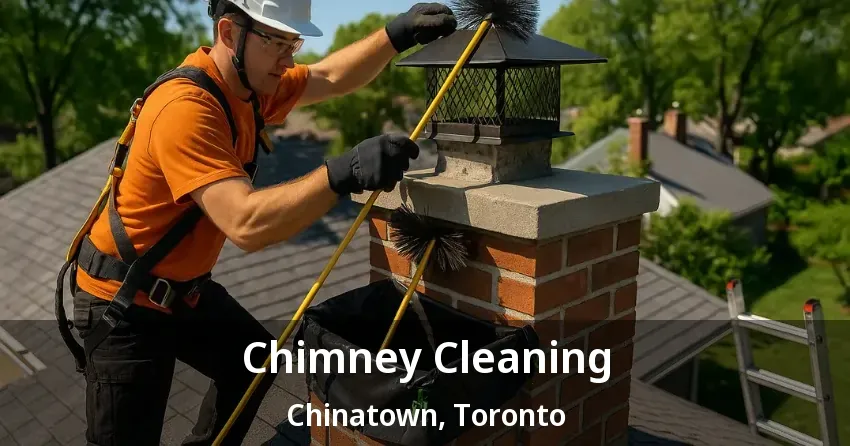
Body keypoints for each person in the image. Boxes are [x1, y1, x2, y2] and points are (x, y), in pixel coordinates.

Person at [60, 0, 457, 444]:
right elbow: (245, 223)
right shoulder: (187, 109)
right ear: (229, 34)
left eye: (294, 43)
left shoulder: (248, 89)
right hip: (124, 303)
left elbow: (327, 76)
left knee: (251, 367)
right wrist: (340, 173)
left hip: (181, 293)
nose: (289, 59)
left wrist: (396, 35)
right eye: (277, 43)